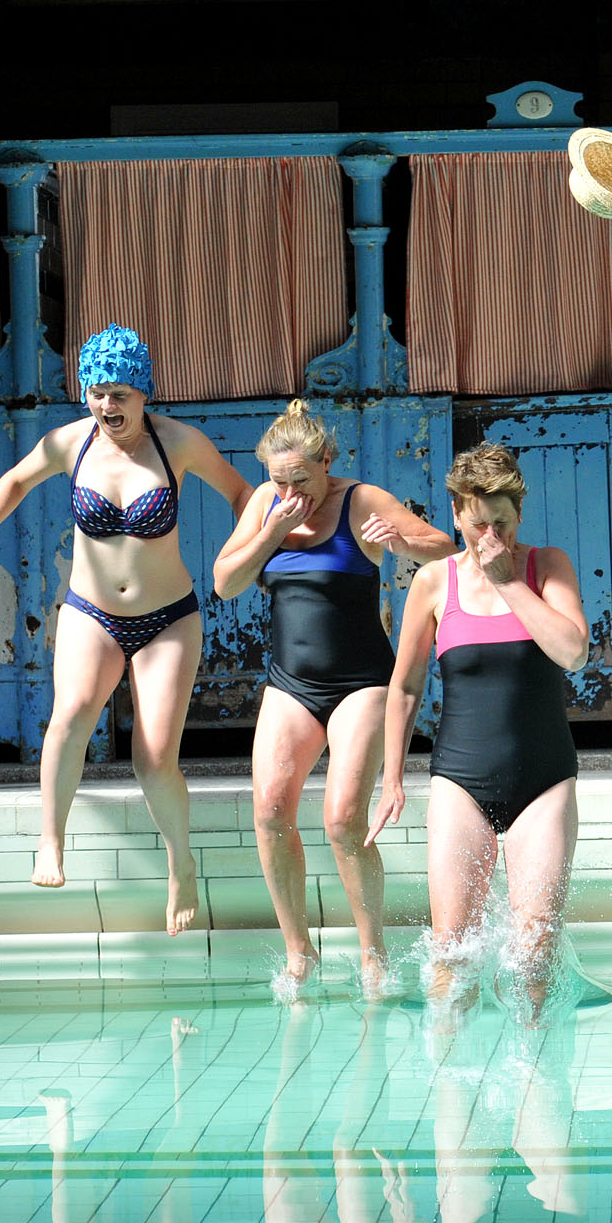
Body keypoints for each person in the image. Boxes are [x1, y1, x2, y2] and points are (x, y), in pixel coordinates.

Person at [0, 325, 252, 932]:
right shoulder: (70, 444)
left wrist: (252, 554)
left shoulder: (179, 444)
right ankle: (51, 840)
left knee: (154, 756)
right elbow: (12, 482)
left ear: (144, 394)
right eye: (97, 392)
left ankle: (180, 863)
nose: (108, 405)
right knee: (71, 715)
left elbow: (243, 494)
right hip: (91, 611)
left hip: (168, 619)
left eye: (120, 393)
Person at [214, 400, 453, 997]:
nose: (293, 491)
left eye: (302, 478)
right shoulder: (265, 508)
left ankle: (373, 956)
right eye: (280, 479)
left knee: (344, 820)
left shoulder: (360, 499)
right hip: (291, 683)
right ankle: (301, 953)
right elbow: (224, 582)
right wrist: (269, 530)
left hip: (362, 681)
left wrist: (400, 542)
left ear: (328, 461)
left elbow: (445, 549)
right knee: (270, 813)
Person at [370, 444, 589, 1006]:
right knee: (451, 953)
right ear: (455, 515)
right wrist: (391, 778)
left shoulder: (548, 566)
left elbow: (573, 652)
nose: (490, 537)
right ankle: (449, 1086)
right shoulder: (434, 582)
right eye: (476, 525)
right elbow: (406, 684)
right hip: (460, 781)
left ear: (520, 515)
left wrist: (509, 581)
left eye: (502, 523)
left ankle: (538, 1082)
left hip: (543, 780)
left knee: (535, 955)